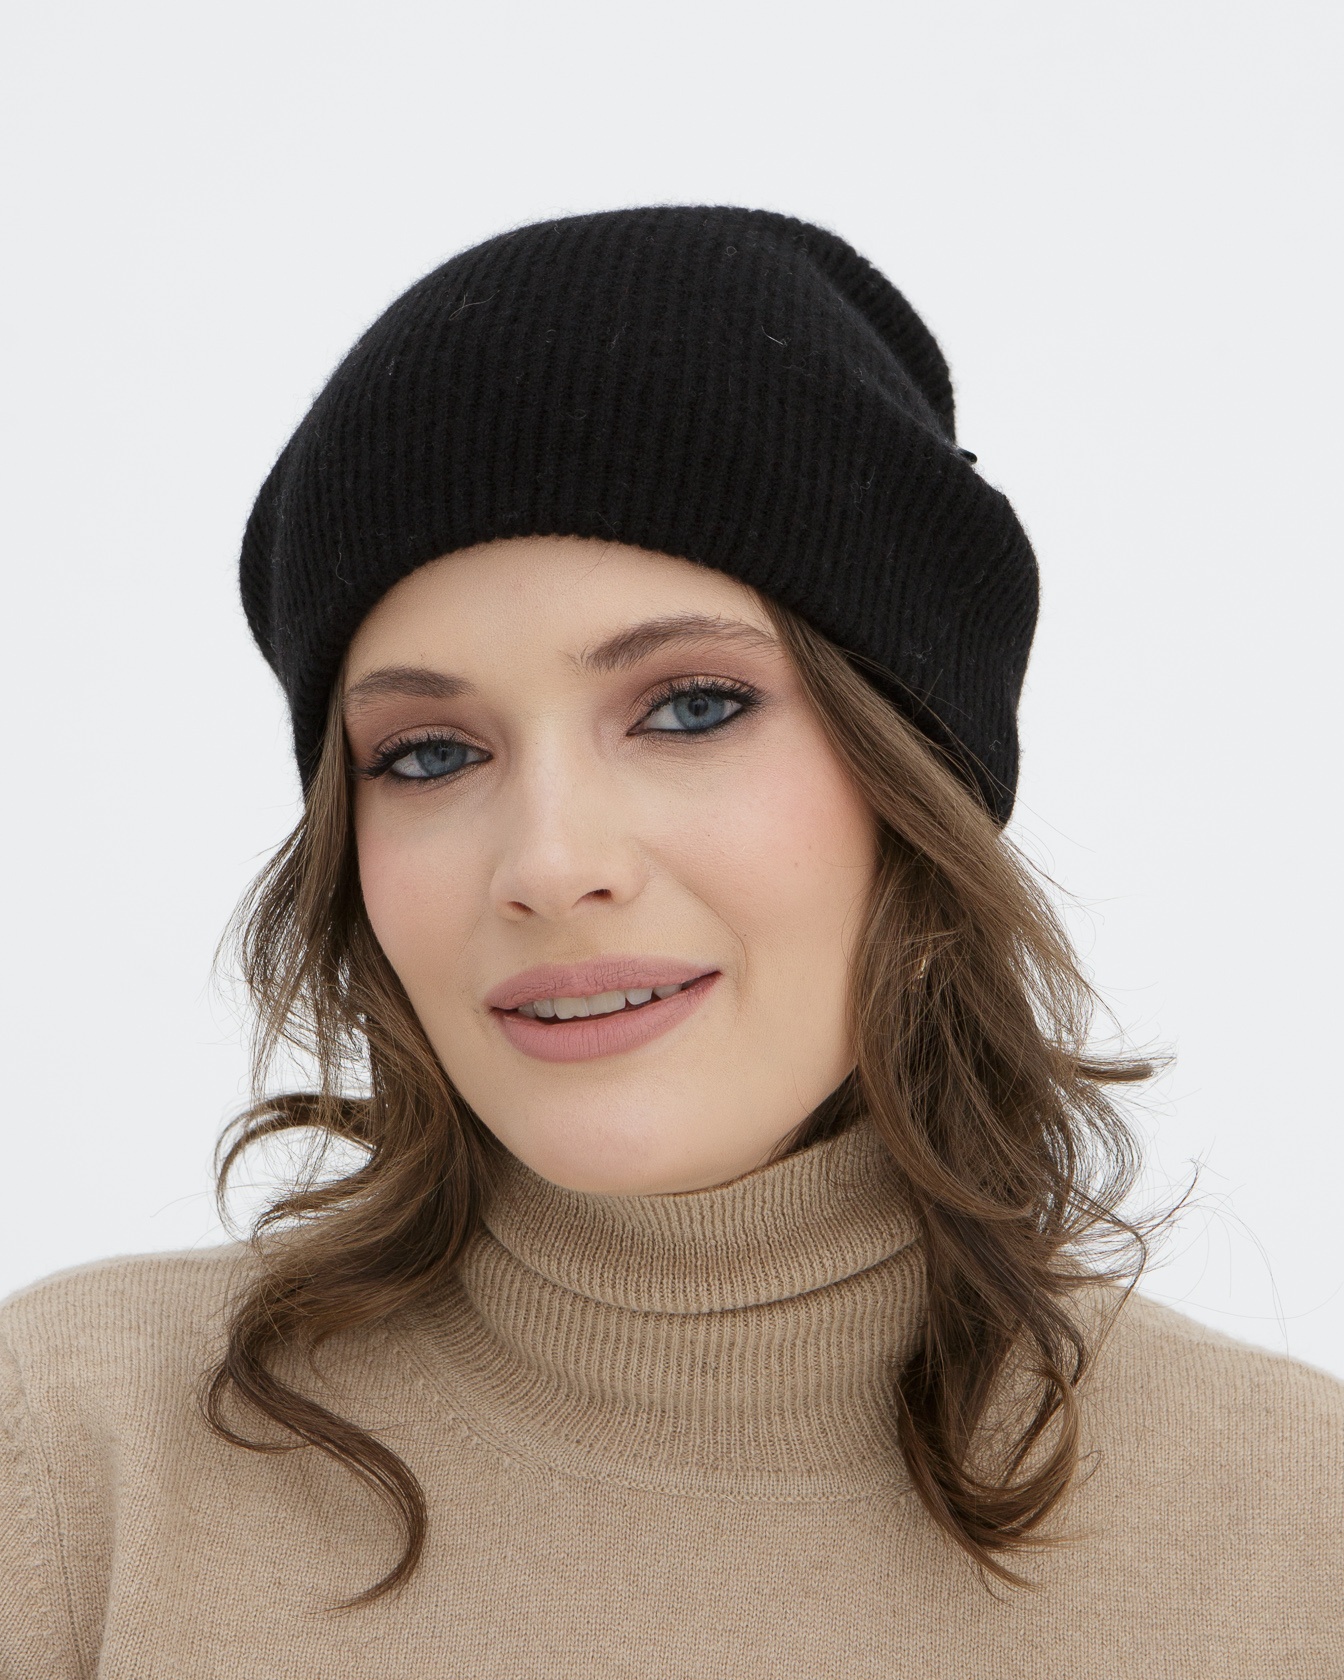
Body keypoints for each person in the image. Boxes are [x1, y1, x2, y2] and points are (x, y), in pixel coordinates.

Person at [1, 206, 1339, 1678]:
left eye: (692, 707)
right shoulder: (77, 1460)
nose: (551, 864)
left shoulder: (1294, 1532)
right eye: (431, 753)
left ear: (917, 782)